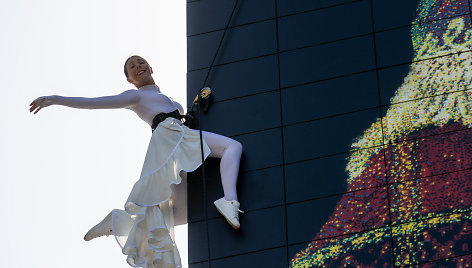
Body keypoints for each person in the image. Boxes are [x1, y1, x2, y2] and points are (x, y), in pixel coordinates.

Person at [29, 55, 243, 268]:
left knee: (181, 214)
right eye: (132, 67)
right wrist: (53, 99)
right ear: (130, 80)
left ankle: (119, 222)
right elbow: (94, 104)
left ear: (151, 67)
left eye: (140, 62)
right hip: (170, 140)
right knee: (232, 148)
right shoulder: (136, 97)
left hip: (178, 143)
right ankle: (230, 200)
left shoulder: (172, 102)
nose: (137, 66)